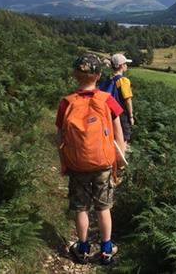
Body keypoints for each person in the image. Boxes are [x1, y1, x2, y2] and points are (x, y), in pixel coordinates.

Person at [55, 54, 126, 265]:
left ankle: (83, 248)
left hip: (77, 165)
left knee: (81, 208)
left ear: (75, 75)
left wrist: (64, 161)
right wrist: (118, 162)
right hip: (103, 164)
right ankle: (106, 249)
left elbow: (60, 136)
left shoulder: (67, 102)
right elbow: (118, 134)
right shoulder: (107, 99)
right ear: (98, 75)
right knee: (103, 208)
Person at [100, 53, 134, 149]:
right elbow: (127, 100)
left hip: (107, 112)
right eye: (125, 64)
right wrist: (131, 116)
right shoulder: (123, 81)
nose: (126, 66)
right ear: (122, 66)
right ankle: (120, 160)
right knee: (122, 137)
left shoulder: (108, 79)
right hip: (120, 113)